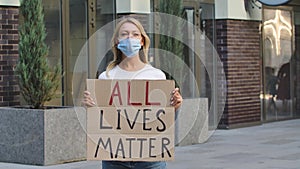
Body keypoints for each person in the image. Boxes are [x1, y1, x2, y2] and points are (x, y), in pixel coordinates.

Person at [83, 17, 182, 169]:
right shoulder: (106, 77)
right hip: (115, 159)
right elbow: (100, 122)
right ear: (116, 40)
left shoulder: (156, 76)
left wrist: (174, 107)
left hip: (150, 159)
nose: (130, 38)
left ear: (142, 41)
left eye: (135, 34)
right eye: (124, 34)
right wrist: (89, 107)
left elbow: (163, 121)